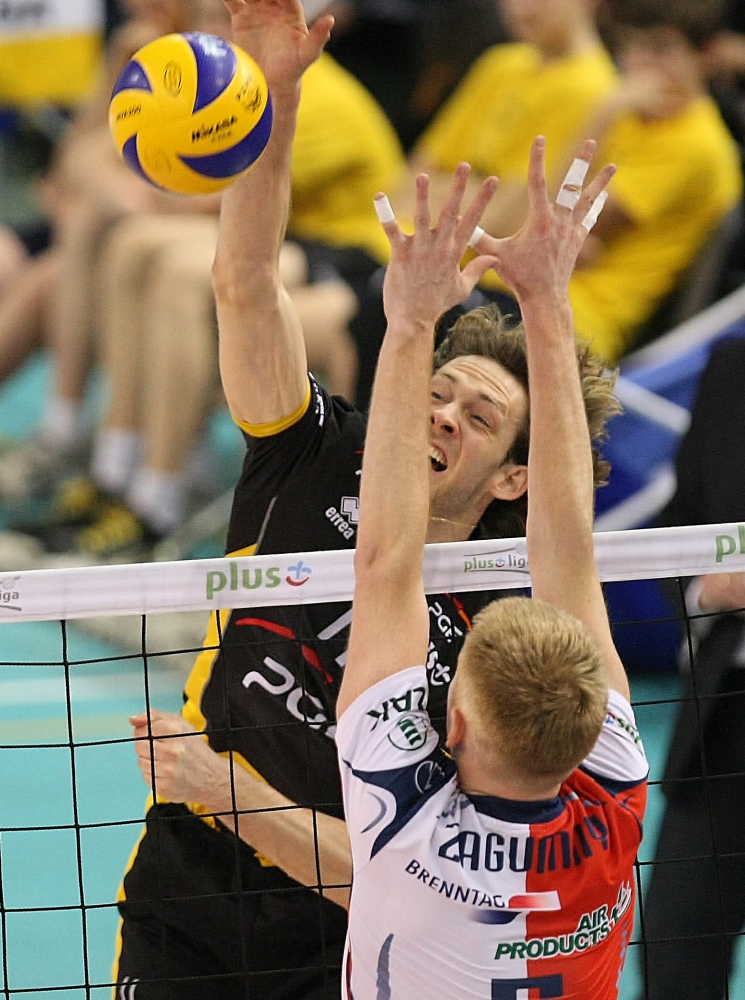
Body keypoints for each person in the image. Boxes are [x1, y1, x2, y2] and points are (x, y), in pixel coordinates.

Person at [115, 2, 619, 997]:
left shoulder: (509, 633)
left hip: (346, 935)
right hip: (188, 891)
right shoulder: (315, 455)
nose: (442, 416)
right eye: (438, 391)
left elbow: (422, 874)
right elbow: (244, 284)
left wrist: (231, 791)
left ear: (513, 476)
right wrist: (274, 97)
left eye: (478, 417)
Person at [336, 138, 648, 998]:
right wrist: (543, 305)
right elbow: (399, 565)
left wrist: (411, 321)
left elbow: (393, 560)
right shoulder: (611, 804)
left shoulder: (404, 825)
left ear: (458, 724)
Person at [638, 335, 745, 1000]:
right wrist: (710, 589)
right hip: (722, 721)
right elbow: (680, 524)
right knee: (674, 967)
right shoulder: (731, 368)